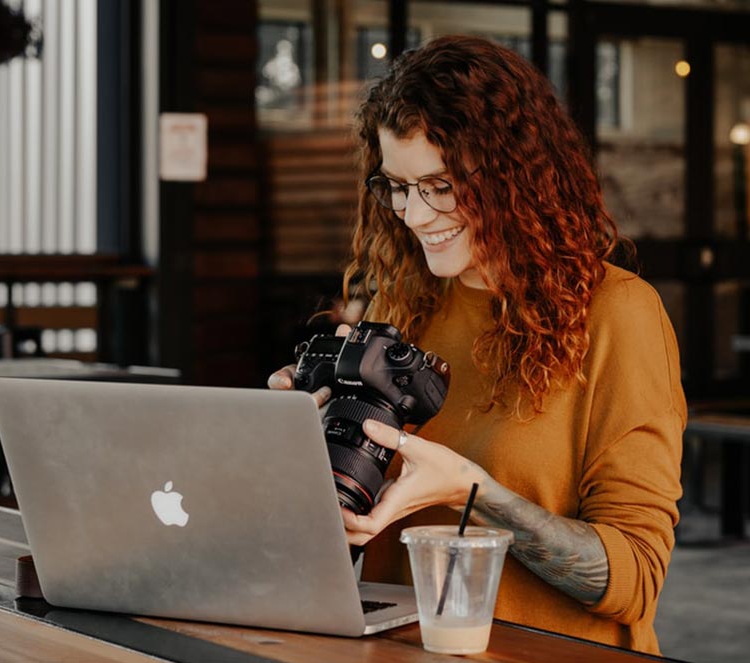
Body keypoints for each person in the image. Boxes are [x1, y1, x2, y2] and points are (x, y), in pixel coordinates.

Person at [267, 35, 684, 655]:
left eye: (439, 185)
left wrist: (472, 492)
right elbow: (348, 545)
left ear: (515, 177)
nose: (413, 213)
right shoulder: (401, 311)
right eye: (397, 186)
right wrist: (300, 452)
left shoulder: (618, 315)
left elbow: (634, 578)